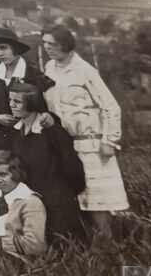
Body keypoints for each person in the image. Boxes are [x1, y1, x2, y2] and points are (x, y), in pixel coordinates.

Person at [41, 26, 129, 240]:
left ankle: (107, 244)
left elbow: (110, 107)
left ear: (66, 45)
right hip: (64, 143)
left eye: (53, 44)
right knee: (73, 196)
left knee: (97, 198)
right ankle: (84, 244)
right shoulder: (49, 68)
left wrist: (109, 141)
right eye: (45, 43)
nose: (48, 48)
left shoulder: (85, 71)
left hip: (91, 145)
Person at [7, 80, 88, 246]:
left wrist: (63, 194)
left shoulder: (52, 132)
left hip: (56, 202)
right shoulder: (16, 131)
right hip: (30, 202)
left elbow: (73, 169)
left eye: (17, 101)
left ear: (31, 103)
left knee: (61, 246)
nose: (11, 105)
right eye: (10, 100)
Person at [0, 27, 42, 153]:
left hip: (29, 136)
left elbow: (42, 107)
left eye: (3, 48)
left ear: (15, 48)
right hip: (0, 138)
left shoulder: (32, 73)